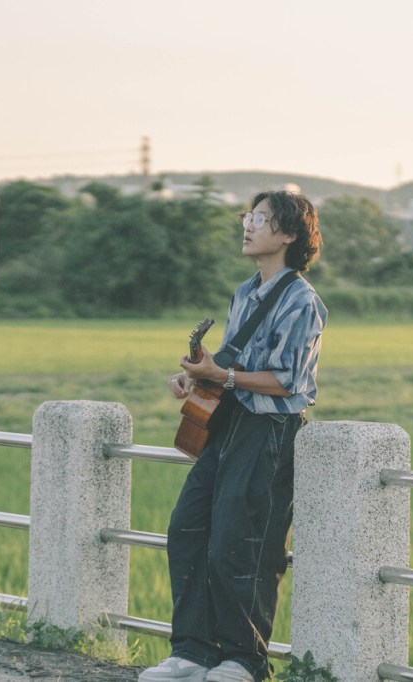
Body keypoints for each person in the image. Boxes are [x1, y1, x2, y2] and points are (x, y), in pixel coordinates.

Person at [139, 190, 326, 682]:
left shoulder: (302, 300)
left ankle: (244, 660)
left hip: (269, 428)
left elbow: (289, 381)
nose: (248, 226)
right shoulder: (245, 292)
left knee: (240, 542)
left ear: (288, 234)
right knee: (187, 530)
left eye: (260, 219)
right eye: (248, 216)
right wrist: (197, 377)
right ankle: (192, 653)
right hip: (228, 423)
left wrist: (222, 378)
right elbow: (230, 363)